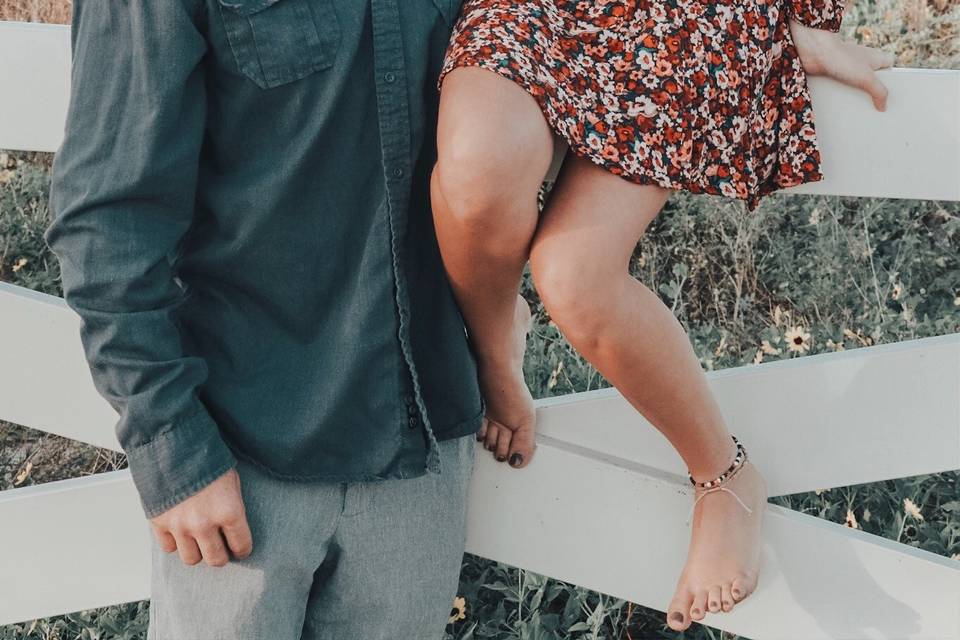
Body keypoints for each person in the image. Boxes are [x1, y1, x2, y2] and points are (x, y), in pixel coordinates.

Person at [430, 0, 894, 632]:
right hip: (525, 12)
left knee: (575, 276)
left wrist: (773, 27)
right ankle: (495, 351)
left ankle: (724, 478)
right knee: (477, 169)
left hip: (669, 18)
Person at [43, 1, 485, 638]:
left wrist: (501, 322)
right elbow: (109, 218)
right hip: (241, 458)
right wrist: (172, 444)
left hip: (420, 457)